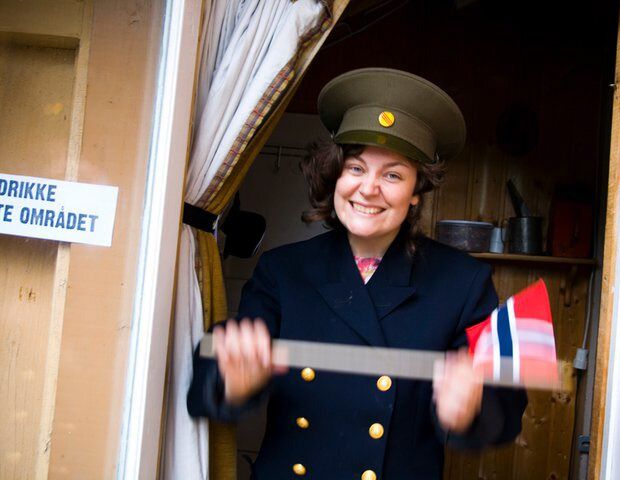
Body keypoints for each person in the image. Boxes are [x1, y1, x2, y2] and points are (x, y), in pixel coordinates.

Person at [187, 68, 527, 479]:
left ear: (416, 192)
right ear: (336, 176)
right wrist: (231, 378)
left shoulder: (463, 283)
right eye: (356, 168)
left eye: (393, 175)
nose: (368, 188)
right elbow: (208, 380)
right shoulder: (282, 270)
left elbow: (506, 408)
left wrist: (472, 406)